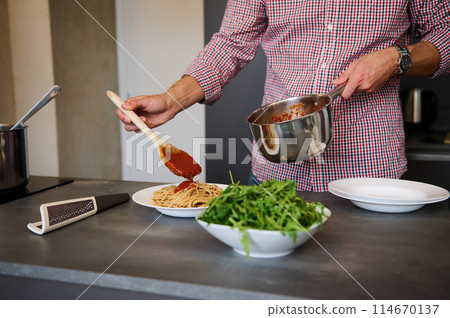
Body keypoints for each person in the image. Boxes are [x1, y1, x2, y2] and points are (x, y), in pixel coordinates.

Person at [116, 0, 450, 191]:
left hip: (369, 172)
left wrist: (396, 59)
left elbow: (445, 33)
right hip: (276, 171)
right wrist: (171, 100)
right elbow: (230, 43)